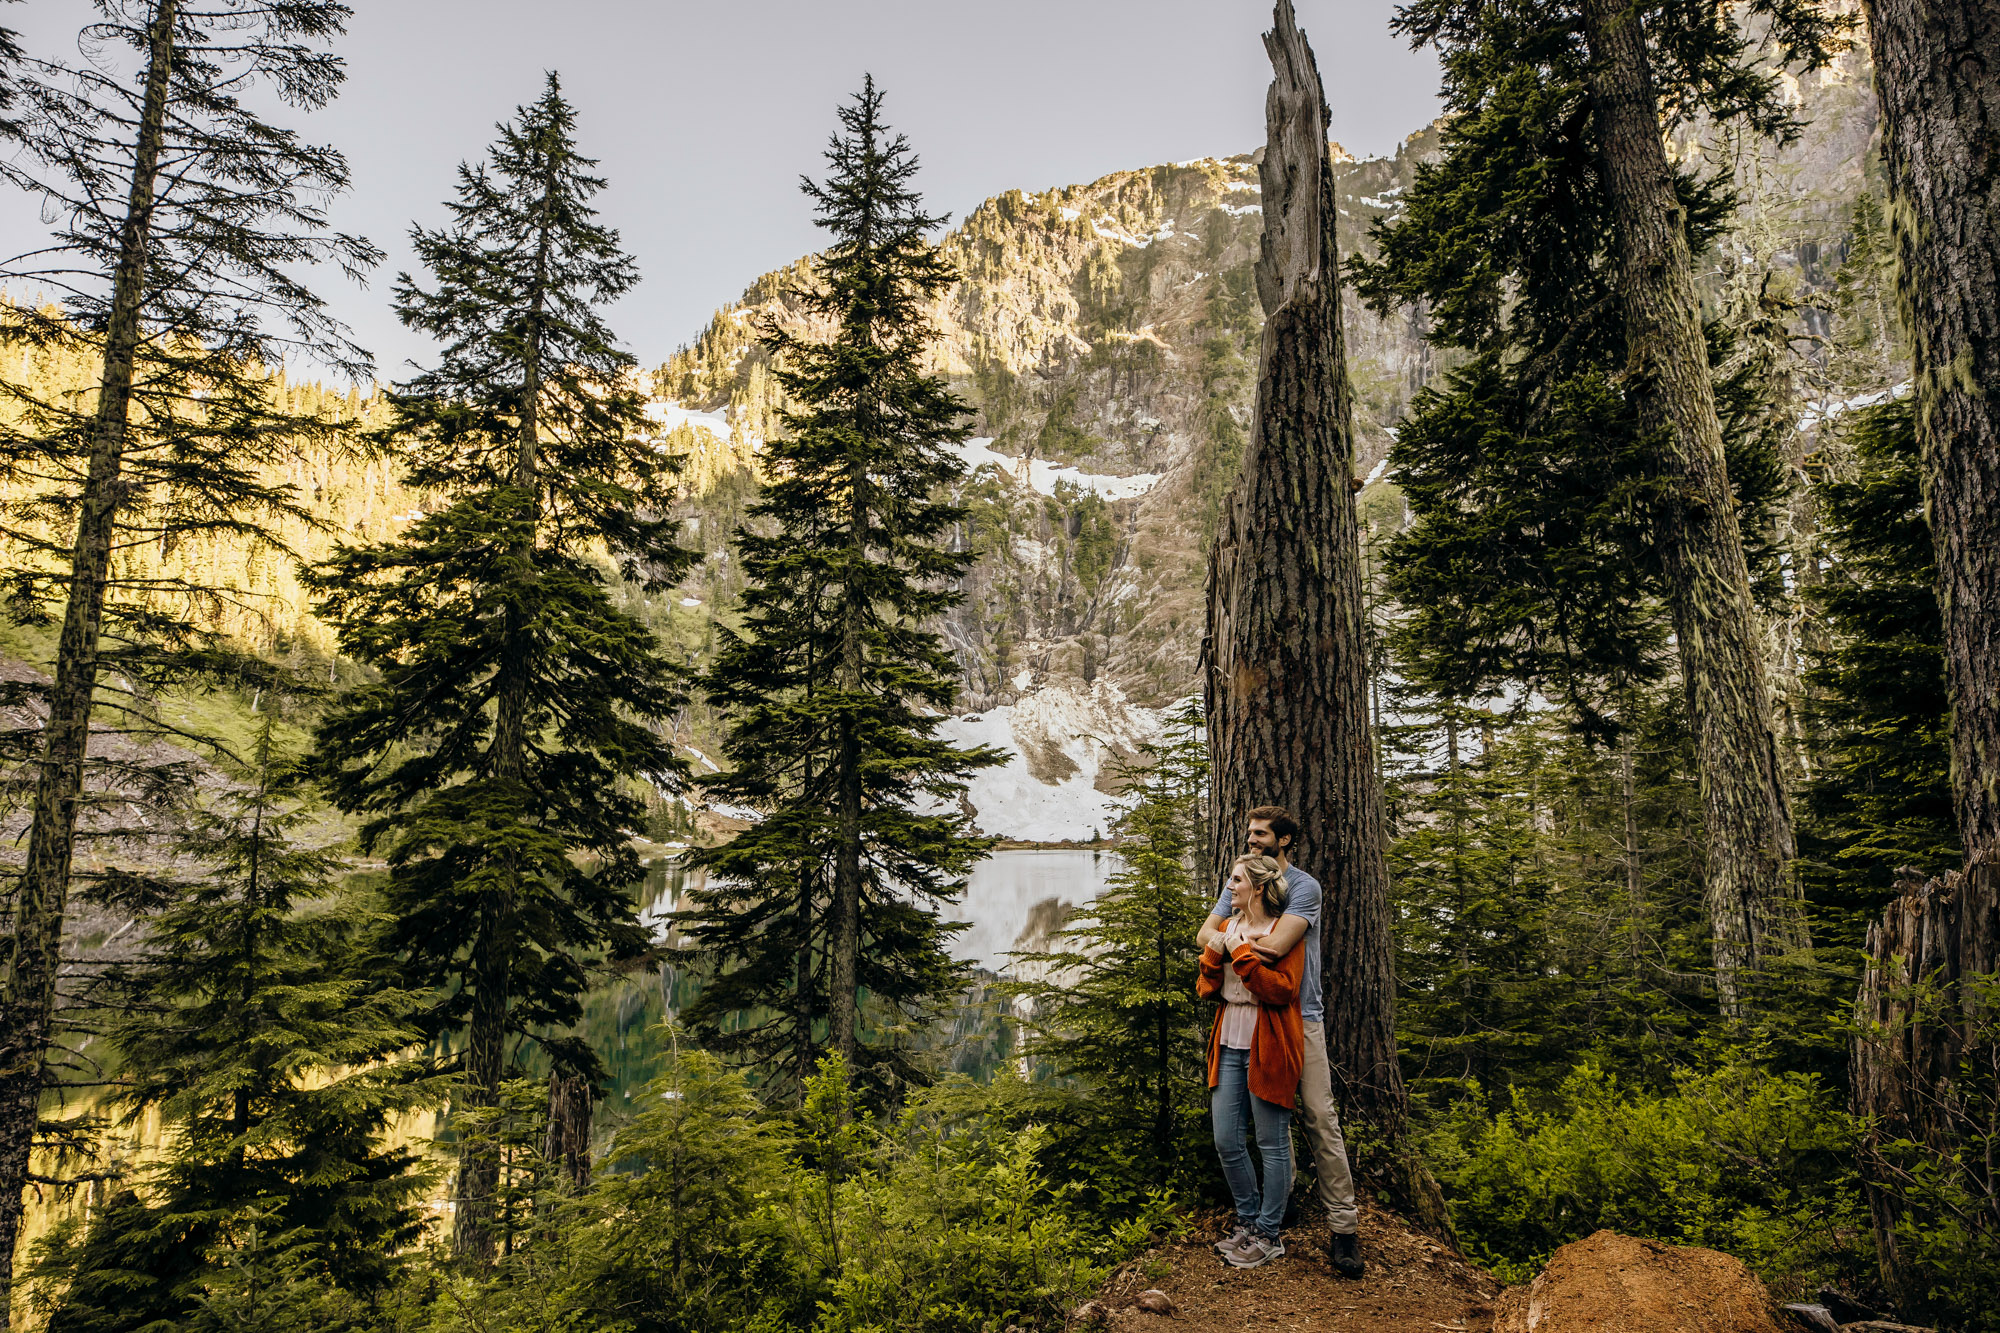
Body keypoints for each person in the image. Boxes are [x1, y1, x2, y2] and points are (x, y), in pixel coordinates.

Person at [1197, 805, 1365, 1279]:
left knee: (1317, 1114)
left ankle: (1343, 1227)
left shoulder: (1302, 887)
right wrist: (1230, 940)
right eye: (1249, 834)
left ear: (1284, 841)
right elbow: (1206, 933)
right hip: (1242, 1020)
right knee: (1250, 1130)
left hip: (1297, 1015)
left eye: (1261, 835)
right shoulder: (1240, 881)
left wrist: (1233, 944)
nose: (1252, 840)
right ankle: (1273, 1214)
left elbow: (1278, 943)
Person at [1199, 853, 1303, 1269]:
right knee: (1226, 1139)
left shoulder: (1282, 934)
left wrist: (1240, 955)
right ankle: (1247, 1221)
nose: (1229, 887)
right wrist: (1213, 955)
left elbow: (1282, 991)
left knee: (1272, 1144)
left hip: (1270, 1039)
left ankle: (1269, 1233)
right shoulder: (1226, 927)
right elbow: (1207, 989)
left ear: (1258, 888)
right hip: (1229, 1038)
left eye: (1236, 880)